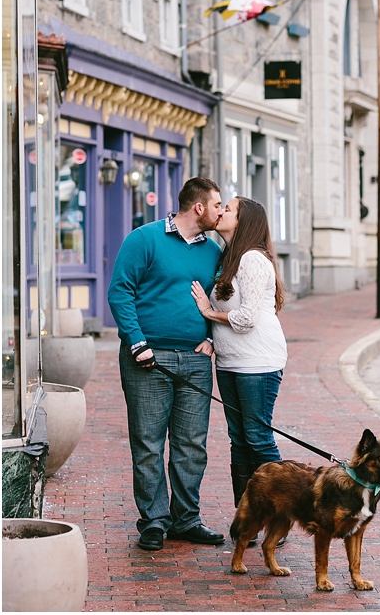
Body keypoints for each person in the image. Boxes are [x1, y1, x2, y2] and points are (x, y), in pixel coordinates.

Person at [107, 177, 226, 552]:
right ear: (199, 207)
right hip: (149, 360)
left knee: (192, 444)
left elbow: (219, 298)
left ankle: (186, 518)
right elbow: (120, 291)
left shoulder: (213, 250)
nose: (222, 211)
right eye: (218, 204)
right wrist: (137, 342)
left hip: (195, 360)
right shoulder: (144, 239)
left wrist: (210, 338)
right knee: (148, 443)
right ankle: (154, 520)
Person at [190, 196, 287, 520]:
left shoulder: (253, 260)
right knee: (239, 439)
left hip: (257, 362)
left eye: (227, 209)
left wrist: (208, 311)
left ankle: (279, 511)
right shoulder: (230, 257)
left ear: (244, 221)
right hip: (231, 361)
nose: (220, 212)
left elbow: (246, 318)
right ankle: (248, 513)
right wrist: (211, 337)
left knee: (258, 437)